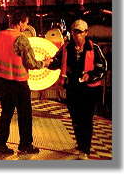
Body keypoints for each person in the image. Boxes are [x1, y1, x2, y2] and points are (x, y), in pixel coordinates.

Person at [0, 12, 52, 155]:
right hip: (18, 82)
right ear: (21, 22)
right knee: (25, 114)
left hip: (2, 81)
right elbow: (31, 63)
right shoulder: (21, 38)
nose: (26, 26)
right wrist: (45, 63)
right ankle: (25, 145)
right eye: (26, 23)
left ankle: (0, 143)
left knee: (6, 113)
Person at [46, 19, 107, 160]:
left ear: (86, 33)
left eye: (79, 32)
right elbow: (56, 62)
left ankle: (84, 149)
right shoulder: (66, 48)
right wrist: (47, 63)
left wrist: (90, 75)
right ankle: (80, 143)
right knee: (75, 118)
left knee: (86, 119)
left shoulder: (94, 48)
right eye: (74, 32)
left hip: (89, 90)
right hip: (72, 89)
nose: (76, 35)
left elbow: (102, 67)